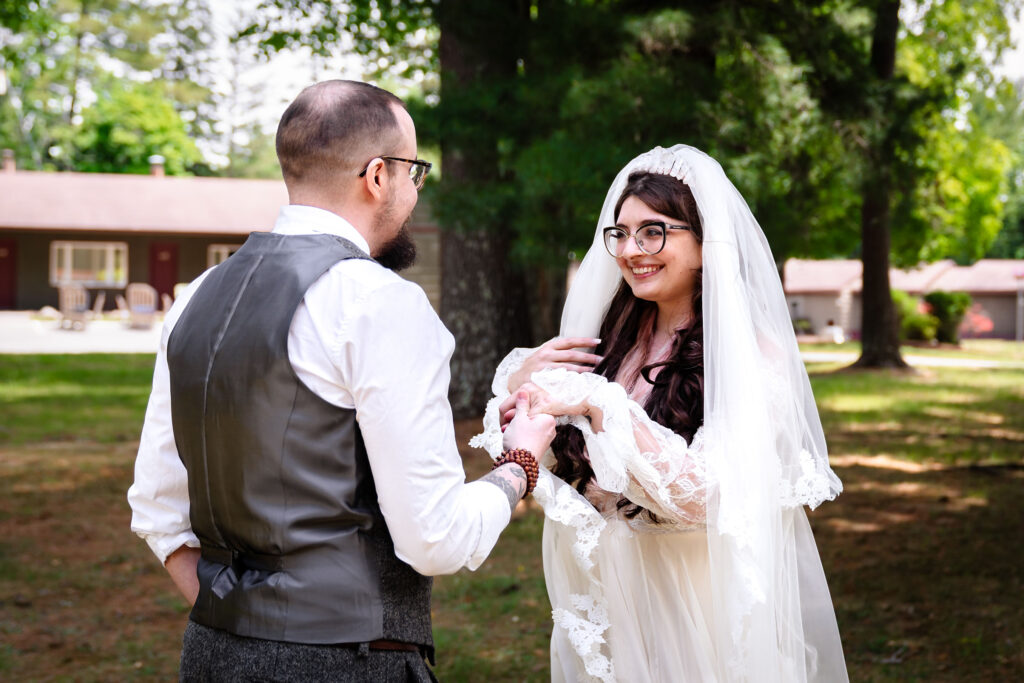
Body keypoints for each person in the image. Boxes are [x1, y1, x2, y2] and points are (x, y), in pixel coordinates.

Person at [127, 80, 555, 682]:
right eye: (415, 172)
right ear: (378, 175)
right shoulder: (379, 303)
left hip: (211, 655)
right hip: (347, 663)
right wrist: (519, 467)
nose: (414, 190)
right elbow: (434, 538)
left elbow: (157, 511)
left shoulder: (195, 297)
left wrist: (244, 623)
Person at [472, 145, 848, 682]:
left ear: (703, 242)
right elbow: (567, 469)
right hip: (606, 605)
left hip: (691, 609)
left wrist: (601, 404)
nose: (630, 250)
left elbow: (709, 497)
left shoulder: (752, 356)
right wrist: (520, 387)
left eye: (654, 231)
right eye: (620, 233)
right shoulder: (609, 344)